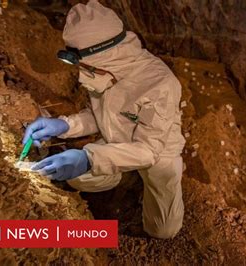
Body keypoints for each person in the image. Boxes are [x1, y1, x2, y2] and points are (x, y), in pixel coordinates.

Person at [22, 0, 185, 239]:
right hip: (114, 141)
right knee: (77, 178)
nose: (81, 77)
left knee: (164, 230)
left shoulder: (159, 84)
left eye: (86, 68)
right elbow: (98, 115)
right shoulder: (100, 69)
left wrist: (89, 158)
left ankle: (141, 186)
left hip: (157, 152)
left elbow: (149, 151)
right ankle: (118, 176)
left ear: (105, 56)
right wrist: (65, 125)